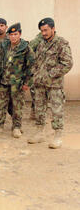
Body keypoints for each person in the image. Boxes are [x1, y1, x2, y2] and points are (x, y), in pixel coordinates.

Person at [28, 18, 73, 149]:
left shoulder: (61, 43)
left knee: (56, 110)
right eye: (42, 31)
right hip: (39, 83)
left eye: (46, 30)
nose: (44, 33)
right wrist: (35, 73)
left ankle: (57, 136)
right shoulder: (41, 43)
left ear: (53, 29)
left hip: (54, 84)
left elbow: (67, 63)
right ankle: (40, 132)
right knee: (39, 108)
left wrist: (50, 74)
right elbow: (36, 61)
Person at [0, 23, 34, 138]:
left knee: (17, 106)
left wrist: (28, 83)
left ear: (20, 34)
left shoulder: (26, 48)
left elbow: (31, 67)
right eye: (11, 34)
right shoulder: (4, 45)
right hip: (3, 81)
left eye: (15, 34)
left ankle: (16, 127)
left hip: (17, 83)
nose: (13, 37)